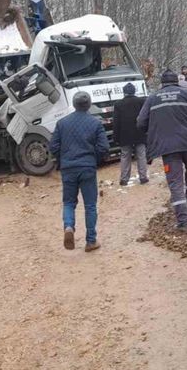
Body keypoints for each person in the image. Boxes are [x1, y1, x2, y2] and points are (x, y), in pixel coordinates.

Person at [138, 70, 187, 233]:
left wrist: (156, 131)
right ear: (177, 81)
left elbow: (141, 122)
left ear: (162, 83)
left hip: (168, 148)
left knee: (175, 183)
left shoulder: (153, 98)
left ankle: (184, 221)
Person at [49, 92, 110, 252]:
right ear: (89, 105)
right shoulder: (95, 123)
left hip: (68, 169)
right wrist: (93, 159)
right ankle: (91, 241)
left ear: (74, 105)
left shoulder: (62, 123)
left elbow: (53, 147)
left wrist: (63, 159)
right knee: (90, 205)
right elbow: (104, 147)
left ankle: (69, 227)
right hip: (87, 168)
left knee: (69, 202)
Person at [112, 82, 148, 186]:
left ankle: (124, 179)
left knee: (125, 156)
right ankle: (143, 177)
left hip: (124, 135)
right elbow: (145, 117)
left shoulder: (118, 104)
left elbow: (116, 122)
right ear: (134, 91)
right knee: (141, 155)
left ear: (124, 92)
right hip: (139, 132)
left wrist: (116, 137)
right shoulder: (141, 101)